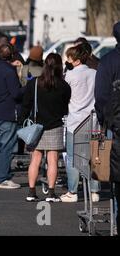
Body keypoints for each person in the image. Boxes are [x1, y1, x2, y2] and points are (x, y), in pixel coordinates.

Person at [21, 53, 71, 202]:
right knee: (53, 160)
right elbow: (65, 107)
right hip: (55, 125)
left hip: (36, 125)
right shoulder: (63, 85)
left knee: (35, 160)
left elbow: (26, 104)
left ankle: (31, 192)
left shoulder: (34, 83)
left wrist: (23, 120)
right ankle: (51, 193)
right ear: (59, 66)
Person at [60, 45, 100, 202]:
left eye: (69, 57)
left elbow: (65, 97)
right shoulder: (95, 73)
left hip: (75, 121)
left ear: (75, 60)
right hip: (93, 120)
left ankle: (73, 191)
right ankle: (95, 191)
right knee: (93, 156)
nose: (67, 60)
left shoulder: (70, 76)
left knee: (72, 157)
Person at [0, 44, 23, 188]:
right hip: (7, 113)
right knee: (7, 146)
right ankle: (2, 178)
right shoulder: (10, 72)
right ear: (12, 56)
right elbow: (16, 93)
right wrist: (26, 88)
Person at [94, 21, 120, 231]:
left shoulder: (107, 61)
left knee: (117, 173)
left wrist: (104, 120)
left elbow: (101, 96)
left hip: (115, 123)